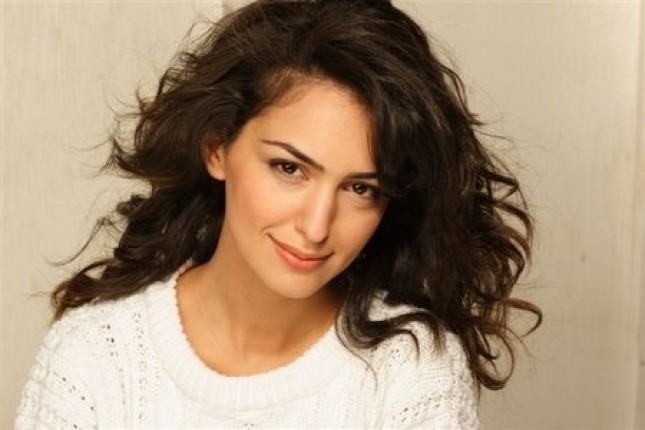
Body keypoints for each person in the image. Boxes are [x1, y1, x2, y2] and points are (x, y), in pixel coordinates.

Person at [16, 0, 541, 428]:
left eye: (360, 188)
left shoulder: (411, 370)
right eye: (290, 168)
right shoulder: (96, 357)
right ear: (217, 147)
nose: (316, 227)